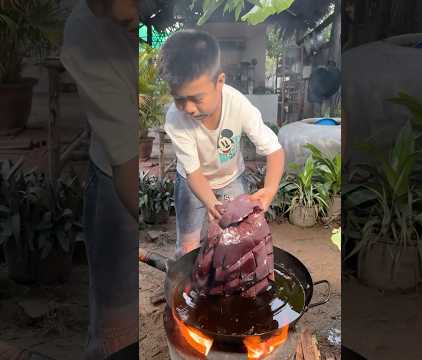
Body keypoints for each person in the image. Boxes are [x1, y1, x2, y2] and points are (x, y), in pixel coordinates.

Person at [161, 29, 285, 258]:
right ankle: (190, 284)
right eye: (179, 98)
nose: (188, 108)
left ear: (219, 82)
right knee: (188, 245)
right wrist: (211, 203)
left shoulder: (239, 105)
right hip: (192, 182)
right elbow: (193, 172)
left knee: (238, 238)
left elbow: (274, 151)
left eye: (196, 98)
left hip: (230, 179)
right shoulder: (175, 118)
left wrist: (269, 190)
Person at [61, 0, 139, 358]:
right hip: (115, 182)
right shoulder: (85, 36)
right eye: (106, 5)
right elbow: (126, 170)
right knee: (116, 336)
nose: (126, 15)